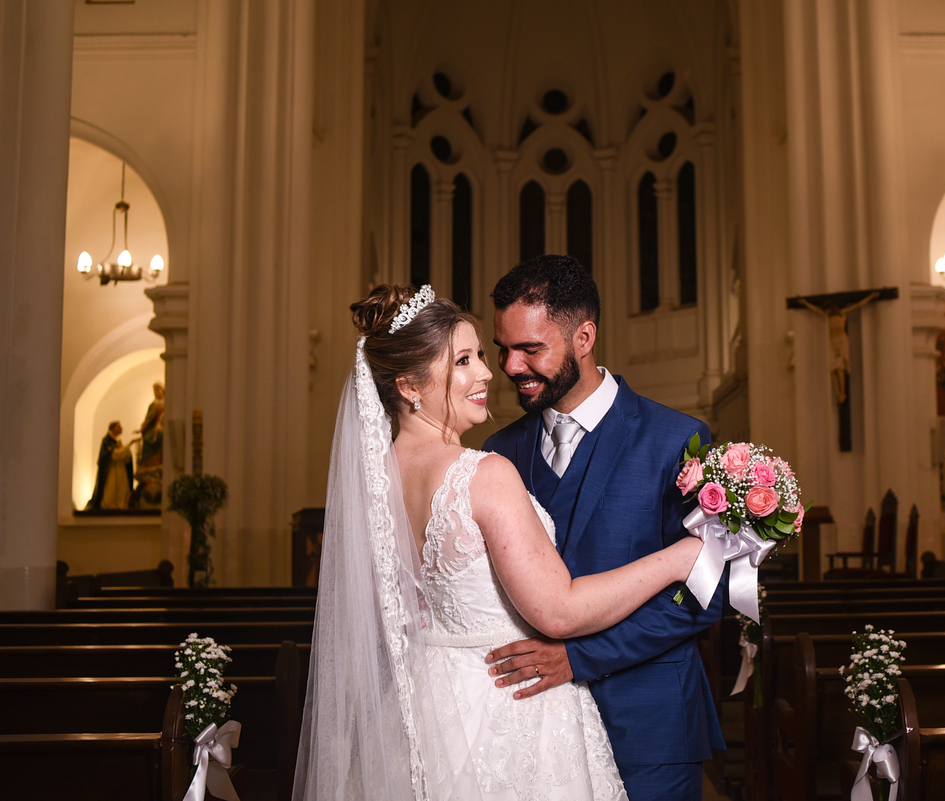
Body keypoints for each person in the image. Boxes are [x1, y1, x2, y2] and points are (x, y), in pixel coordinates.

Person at [292, 283, 704, 801]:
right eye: (463, 361)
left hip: (424, 707)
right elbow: (559, 611)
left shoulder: (372, 484)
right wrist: (682, 557)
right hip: (508, 710)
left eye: (479, 356)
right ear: (409, 386)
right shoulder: (485, 470)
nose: (491, 372)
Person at [483, 255, 728, 801]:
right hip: (533, 726)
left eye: (530, 349)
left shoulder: (676, 439)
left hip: (650, 724)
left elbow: (705, 594)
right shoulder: (498, 453)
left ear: (584, 337)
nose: (510, 366)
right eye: (502, 348)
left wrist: (578, 658)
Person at [84, 421, 136, 511]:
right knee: (111, 490)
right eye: (118, 426)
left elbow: (124, 456)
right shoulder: (106, 441)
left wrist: (125, 450)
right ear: (113, 428)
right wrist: (127, 447)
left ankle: (120, 505)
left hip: (121, 470)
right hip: (111, 471)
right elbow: (112, 455)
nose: (121, 428)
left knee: (121, 490)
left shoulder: (118, 441)